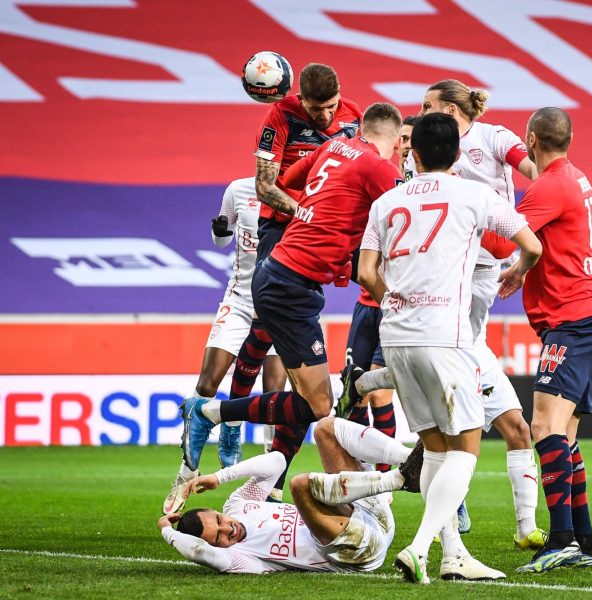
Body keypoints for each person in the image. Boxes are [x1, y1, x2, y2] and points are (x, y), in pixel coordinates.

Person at [357, 112, 543, 584]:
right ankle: (419, 547)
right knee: (466, 445)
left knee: (435, 448)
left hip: (396, 336)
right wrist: (519, 269)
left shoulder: (386, 202)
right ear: (458, 153)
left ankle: (452, 556)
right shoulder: (475, 194)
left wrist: (395, 301)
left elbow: (365, 272)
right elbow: (532, 244)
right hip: (446, 336)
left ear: (411, 153)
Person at [180, 103, 403, 481]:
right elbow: (403, 221)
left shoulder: (333, 148)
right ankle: (208, 414)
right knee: (319, 404)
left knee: (309, 401)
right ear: (396, 140)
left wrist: (321, 218)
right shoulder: (380, 167)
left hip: (278, 272)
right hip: (290, 286)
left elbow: (284, 184)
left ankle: (267, 486)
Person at [478, 108, 592, 574]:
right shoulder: (575, 178)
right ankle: (584, 543)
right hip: (590, 315)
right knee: (566, 437)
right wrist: (523, 268)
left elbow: (503, 239)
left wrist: (465, 214)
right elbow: (544, 243)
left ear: (532, 140)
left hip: (573, 320)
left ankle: (560, 540)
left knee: (545, 428)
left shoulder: (547, 187)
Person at [228, 63, 364, 500]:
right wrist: (305, 212)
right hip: (283, 229)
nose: (324, 117)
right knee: (271, 326)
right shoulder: (280, 117)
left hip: (320, 238)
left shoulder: (353, 117)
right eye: (315, 108)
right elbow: (265, 187)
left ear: (339, 94)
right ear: (300, 99)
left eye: (329, 107)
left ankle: (263, 479)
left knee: (306, 383)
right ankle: (228, 425)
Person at [162, 177, 287, 514]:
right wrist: (219, 230)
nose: (269, 165)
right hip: (240, 300)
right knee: (205, 384)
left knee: (275, 398)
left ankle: (268, 490)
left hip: (280, 304)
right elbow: (221, 241)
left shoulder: (299, 189)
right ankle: (186, 472)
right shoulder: (238, 190)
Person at [159, 415, 419, 574]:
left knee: (325, 429)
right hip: (359, 550)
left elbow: (276, 461)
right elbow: (199, 553)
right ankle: (397, 479)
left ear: (216, 511)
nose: (226, 529)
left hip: (373, 515)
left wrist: (220, 477)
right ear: (215, 546)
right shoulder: (240, 558)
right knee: (299, 486)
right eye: (217, 538)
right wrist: (167, 531)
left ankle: (410, 459)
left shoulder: (237, 505)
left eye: (218, 521)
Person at [341, 116, 420, 472]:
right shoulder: (378, 178)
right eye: (400, 137)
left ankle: (387, 481)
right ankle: (365, 479)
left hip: (396, 307)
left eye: (409, 139)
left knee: (379, 392)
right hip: (366, 306)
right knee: (353, 396)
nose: (403, 144)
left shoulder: (426, 190)